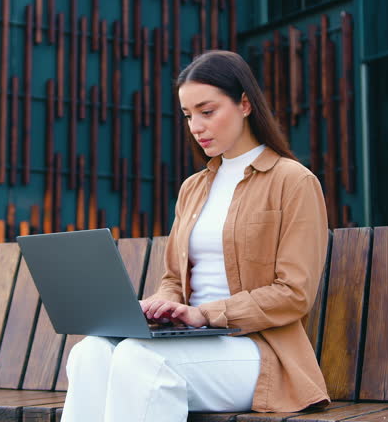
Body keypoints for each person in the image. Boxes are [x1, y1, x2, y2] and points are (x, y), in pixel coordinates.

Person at [61, 50, 330, 421]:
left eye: (207, 112)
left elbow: (294, 293)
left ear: (245, 104)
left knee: (138, 360)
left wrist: (204, 314)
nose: (196, 127)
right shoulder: (194, 188)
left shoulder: (293, 181)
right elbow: (174, 278)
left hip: (258, 349)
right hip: (191, 342)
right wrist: (164, 307)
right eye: (188, 116)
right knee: (89, 353)